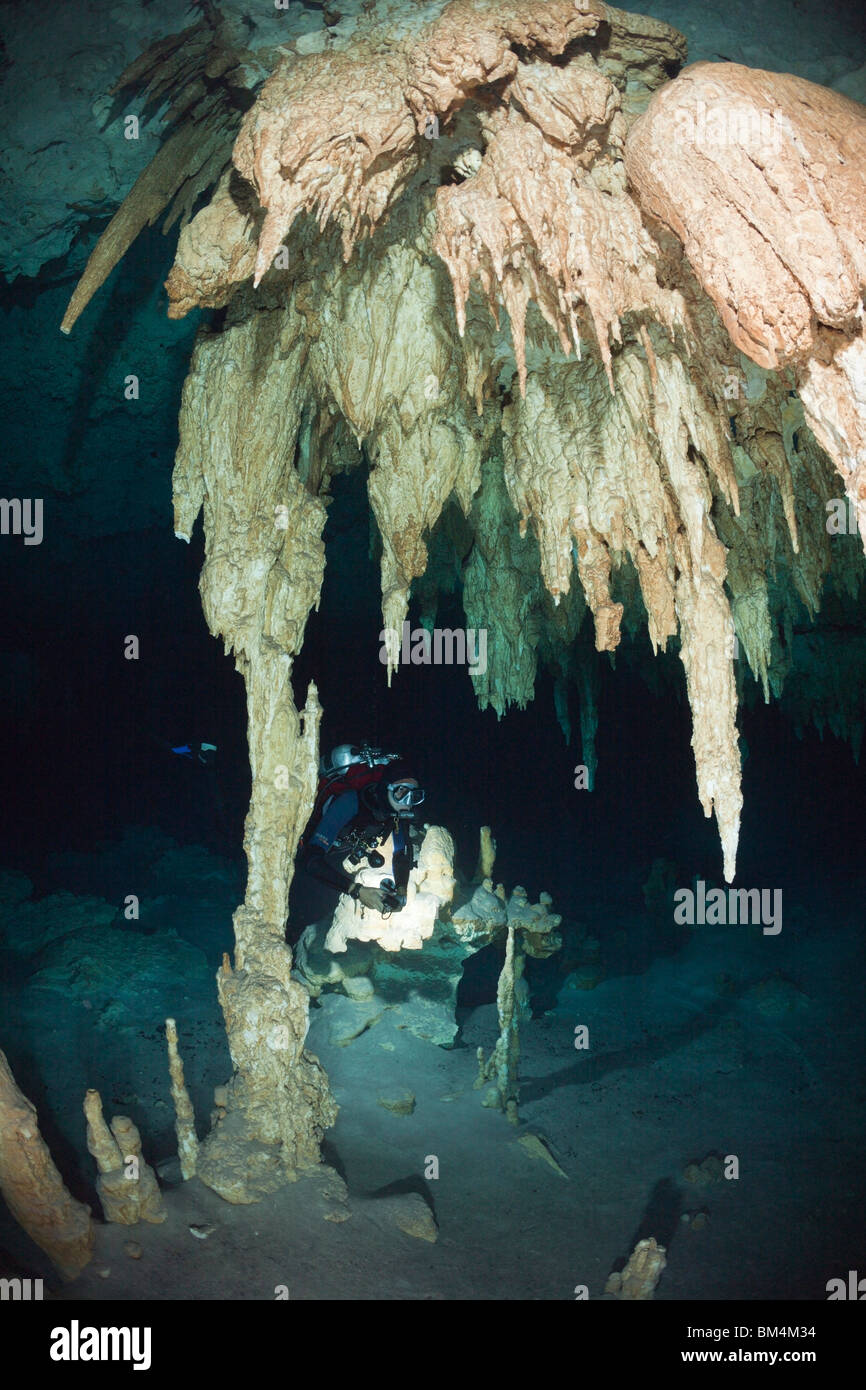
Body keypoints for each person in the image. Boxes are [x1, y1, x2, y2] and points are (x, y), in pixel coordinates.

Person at [301, 743, 425, 914]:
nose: (407, 803)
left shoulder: (395, 812)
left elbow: (401, 852)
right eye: (401, 792)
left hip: (341, 852)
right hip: (312, 850)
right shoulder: (350, 801)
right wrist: (357, 891)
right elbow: (311, 861)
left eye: (415, 796)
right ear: (385, 788)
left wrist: (401, 890)